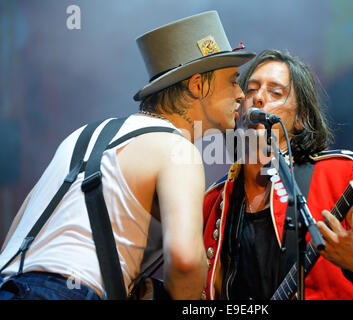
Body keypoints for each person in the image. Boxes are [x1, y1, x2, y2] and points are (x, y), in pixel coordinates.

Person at [0, 11, 255, 300]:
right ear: (197, 85)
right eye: (233, 81)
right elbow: (185, 261)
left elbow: (18, 232)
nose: (240, 95)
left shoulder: (83, 135)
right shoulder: (177, 149)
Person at [202, 49, 353, 300]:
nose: (259, 98)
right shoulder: (215, 199)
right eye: (250, 90)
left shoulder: (341, 173)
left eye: (275, 92)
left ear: (301, 119)